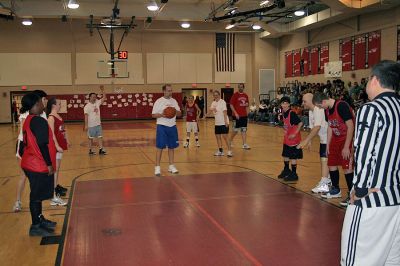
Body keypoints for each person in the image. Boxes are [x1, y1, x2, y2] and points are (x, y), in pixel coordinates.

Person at [341, 60, 400, 265]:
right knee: (391, 260)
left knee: (354, 260)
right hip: (396, 198)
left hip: (372, 201)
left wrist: (360, 190)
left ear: (374, 80)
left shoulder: (371, 109)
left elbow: (365, 152)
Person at [20, 92, 57, 237]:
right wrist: (48, 164)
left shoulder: (29, 119)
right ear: (36, 104)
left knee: (37, 195)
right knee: (36, 196)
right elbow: (42, 144)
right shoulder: (38, 121)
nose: (43, 104)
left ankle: (40, 219)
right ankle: (35, 226)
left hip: (31, 163)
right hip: (37, 165)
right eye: (41, 102)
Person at [313, 92, 354, 206]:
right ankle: (336, 189)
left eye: (320, 106)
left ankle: (352, 194)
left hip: (346, 138)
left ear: (324, 101)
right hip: (335, 139)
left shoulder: (341, 106)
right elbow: (330, 126)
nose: (321, 108)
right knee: (331, 163)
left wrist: (347, 146)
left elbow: (350, 125)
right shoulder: (327, 110)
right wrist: (328, 144)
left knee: (347, 167)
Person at [13, 90, 48, 212]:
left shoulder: (43, 114)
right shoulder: (27, 114)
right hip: (24, 146)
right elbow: (24, 133)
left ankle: (39, 208)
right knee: (24, 175)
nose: (46, 101)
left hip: (36, 148)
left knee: (38, 178)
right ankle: (18, 201)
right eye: (44, 99)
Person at [298, 93, 330, 193]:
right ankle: (327, 180)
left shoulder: (318, 109)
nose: (303, 103)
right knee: (324, 160)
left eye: (305, 101)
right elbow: (312, 127)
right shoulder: (311, 111)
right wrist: (310, 141)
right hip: (323, 139)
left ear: (312, 101)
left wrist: (306, 140)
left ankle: (325, 183)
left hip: (329, 138)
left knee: (325, 160)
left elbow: (317, 127)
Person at [151, 84, 181, 176]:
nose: (170, 92)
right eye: (168, 90)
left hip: (172, 126)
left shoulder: (174, 101)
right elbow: (153, 115)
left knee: (171, 147)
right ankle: (157, 167)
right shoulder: (159, 101)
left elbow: (179, 113)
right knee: (160, 147)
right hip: (162, 126)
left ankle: (171, 166)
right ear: (164, 91)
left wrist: (173, 111)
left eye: (171, 90)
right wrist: (162, 114)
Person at [47, 98, 69, 206]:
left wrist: (66, 140)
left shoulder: (59, 116)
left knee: (57, 169)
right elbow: (51, 134)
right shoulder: (51, 118)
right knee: (54, 170)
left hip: (60, 146)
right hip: (56, 147)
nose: (60, 105)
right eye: (59, 104)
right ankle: (53, 196)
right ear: (54, 105)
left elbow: (62, 130)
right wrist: (56, 146)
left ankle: (54, 192)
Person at [278, 97, 303, 182]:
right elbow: (286, 125)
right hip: (287, 139)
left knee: (293, 157)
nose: (284, 105)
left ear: (289, 104)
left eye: (286, 103)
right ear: (281, 105)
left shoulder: (291, 113)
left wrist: (294, 133)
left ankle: (294, 174)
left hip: (294, 139)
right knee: (285, 155)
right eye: (283, 103)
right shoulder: (283, 113)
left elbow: (300, 123)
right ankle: (286, 170)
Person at [84, 85, 107, 155]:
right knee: (90, 138)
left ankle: (101, 149)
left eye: (95, 97)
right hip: (91, 126)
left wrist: (103, 90)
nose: (95, 98)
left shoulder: (97, 102)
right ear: (90, 97)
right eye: (93, 97)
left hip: (98, 124)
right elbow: (86, 116)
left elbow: (104, 97)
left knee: (100, 137)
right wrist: (86, 125)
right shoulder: (87, 106)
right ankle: (90, 150)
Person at [229, 83, 250, 152]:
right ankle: (230, 140)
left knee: (243, 130)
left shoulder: (246, 95)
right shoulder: (235, 95)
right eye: (239, 87)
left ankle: (244, 144)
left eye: (241, 87)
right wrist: (235, 113)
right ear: (238, 88)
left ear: (243, 87)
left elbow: (247, 105)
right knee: (235, 130)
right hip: (236, 116)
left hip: (244, 115)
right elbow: (231, 105)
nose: (240, 88)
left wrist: (247, 114)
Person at [209, 91, 232, 157]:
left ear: (219, 95)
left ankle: (229, 151)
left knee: (225, 137)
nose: (215, 96)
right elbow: (211, 110)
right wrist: (205, 115)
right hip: (217, 123)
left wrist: (226, 122)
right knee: (218, 137)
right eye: (214, 95)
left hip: (223, 122)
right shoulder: (213, 103)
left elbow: (225, 112)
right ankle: (220, 151)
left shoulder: (222, 102)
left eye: (216, 95)